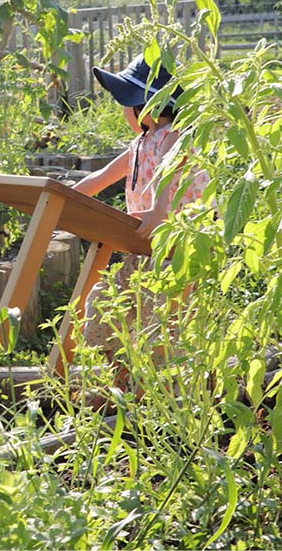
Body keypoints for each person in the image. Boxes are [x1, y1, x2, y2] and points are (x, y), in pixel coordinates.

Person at [70, 55, 209, 366]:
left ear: (145, 106)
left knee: (161, 323)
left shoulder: (173, 135)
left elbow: (167, 169)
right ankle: (115, 376)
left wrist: (160, 212)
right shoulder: (139, 145)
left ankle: (162, 387)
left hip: (178, 251)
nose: (123, 112)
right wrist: (63, 199)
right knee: (104, 303)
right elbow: (100, 178)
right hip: (143, 250)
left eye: (126, 104)